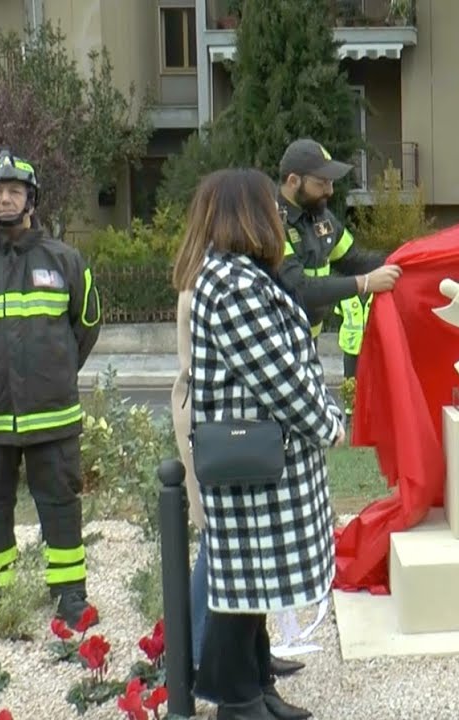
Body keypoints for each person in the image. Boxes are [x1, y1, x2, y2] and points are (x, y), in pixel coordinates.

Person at [179, 168, 345, 720]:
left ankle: (255, 687)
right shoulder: (232, 285)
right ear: (250, 214)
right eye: (270, 207)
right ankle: (238, 700)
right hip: (255, 464)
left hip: (259, 462)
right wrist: (329, 424)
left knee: (250, 588)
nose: (279, 215)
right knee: (238, 588)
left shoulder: (236, 275)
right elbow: (281, 378)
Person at [0, 150, 103, 627]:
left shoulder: (66, 260)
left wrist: (57, 370)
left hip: (52, 417)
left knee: (61, 506)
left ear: (30, 198)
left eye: (14, 190)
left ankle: (69, 595)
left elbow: (87, 324)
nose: (6, 198)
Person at [169, 195, 308, 695]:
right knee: (222, 546)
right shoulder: (220, 286)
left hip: (219, 421)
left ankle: (249, 661)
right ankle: (202, 659)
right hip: (221, 427)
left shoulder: (218, 275)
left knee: (232, 547)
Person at [276, 138, 401, 333]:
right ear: (293, 181)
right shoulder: (270, 223)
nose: (330, 191)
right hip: (278, 338)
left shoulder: (322, 217)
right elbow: (300, 288)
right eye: (321, 183)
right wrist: (365, 283)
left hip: (309, 336)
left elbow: (353, 260)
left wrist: (403, 258)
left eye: (331, 182)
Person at [333, 291, 373, 380]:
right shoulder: (344, 294)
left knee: (369, 380)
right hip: (350, 346)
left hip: (371, 347)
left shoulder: (376, 295)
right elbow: (338, 317)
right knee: (350, 382)